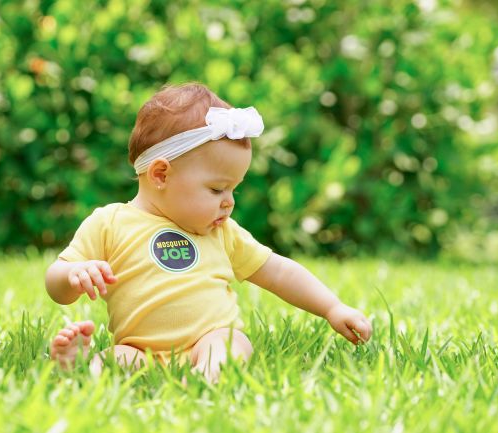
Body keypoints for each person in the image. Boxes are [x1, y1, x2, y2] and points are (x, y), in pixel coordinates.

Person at [45, 83, 372, 382]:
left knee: (231, 342)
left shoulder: (223, 232)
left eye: (233, 189)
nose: (229, 202)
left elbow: (279, 272)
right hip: (139, 349)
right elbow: (57, 283)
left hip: (208, 339)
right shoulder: (110, 222)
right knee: (116, 358)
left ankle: (205, 378)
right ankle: (79, 366)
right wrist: (74, 274)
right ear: (161, 174)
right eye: (217, 189)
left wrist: (332, 308)